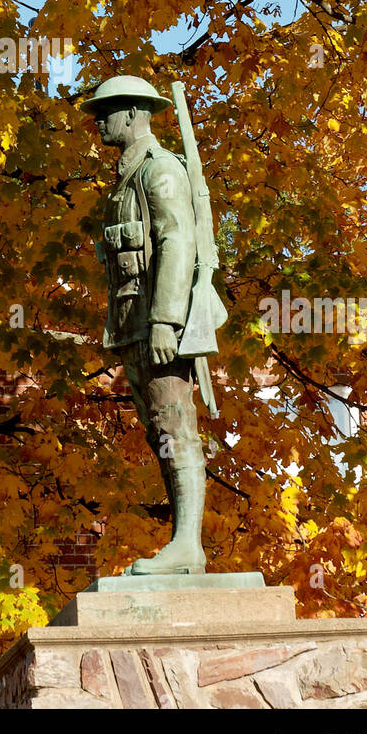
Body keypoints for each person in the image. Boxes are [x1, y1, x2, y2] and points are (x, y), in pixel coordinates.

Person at [83, 75, 206, 574]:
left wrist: (165, 320)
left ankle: (188, 546)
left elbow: (179, 242)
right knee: (161, 430)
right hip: (134, 325)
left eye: (106, 111)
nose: (98, 121)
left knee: (176, 425)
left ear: (134, 114)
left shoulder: (158, 172)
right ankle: (185, 542)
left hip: (159, 326)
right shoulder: (126, 177)